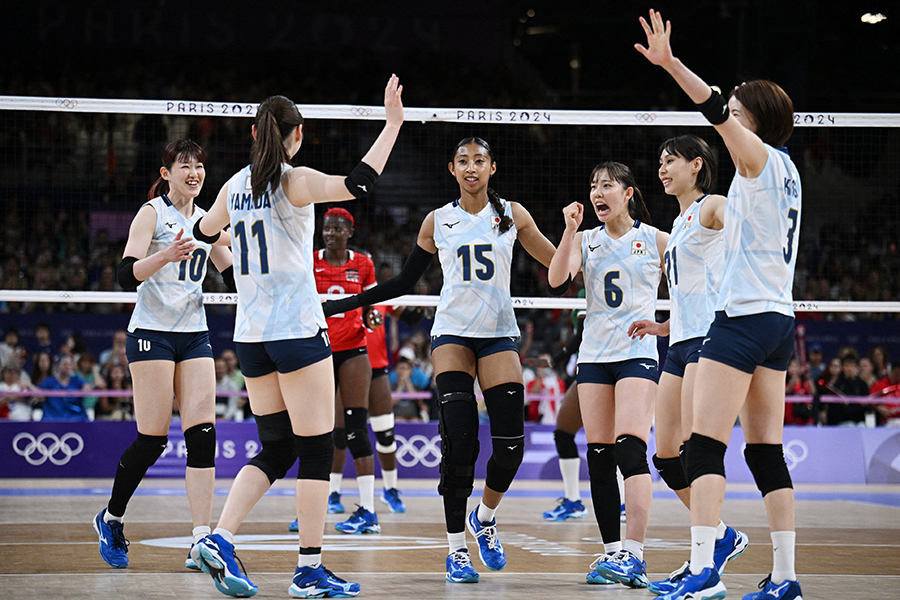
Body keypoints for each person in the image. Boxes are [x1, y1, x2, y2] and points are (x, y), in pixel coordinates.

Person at [191, 76, 404, 598]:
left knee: (278, 446)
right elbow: (357, 184)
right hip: (296, 330)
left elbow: (202, 232)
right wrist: (393, 123)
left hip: (251, 335)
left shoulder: (232, 186)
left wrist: (235, 258)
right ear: (297, 135)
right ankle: (309, 569)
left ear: (255, 135)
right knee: (314, 448)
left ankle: (219, 536)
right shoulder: (294, 180)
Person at [322, 136, 556, 583]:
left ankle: (484, 519)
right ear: (451, 168)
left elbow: (557, 268)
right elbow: (406, 280)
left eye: (480, 161)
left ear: (492, 167)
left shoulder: (513, 214)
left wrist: (573, 238)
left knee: (510, 446)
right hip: (451, 333)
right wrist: (344, 303)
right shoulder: (437, 220)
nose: (472, 168)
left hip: (498, 334)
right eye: (464, 161)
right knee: (460, 444)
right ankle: (456, 550)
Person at [637, 9, 803, 599]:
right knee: (765, 452)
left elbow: (709, 106)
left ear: (754, 122)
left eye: (736, 112)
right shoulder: (788, 173)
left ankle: (705, 569)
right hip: (779, 318)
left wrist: (669, 63)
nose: (727, 116)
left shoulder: (756, 163)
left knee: (702, 446)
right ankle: (785, 576)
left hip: (742, 317)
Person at [92, 139, 233, 572]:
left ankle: (201, 540)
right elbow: (122, 274)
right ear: (166, 172)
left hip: (194, 334)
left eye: (199, 166)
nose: (194, 172)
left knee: (202, 435)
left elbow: (232, 271)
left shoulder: (209, 222)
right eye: (184, 165)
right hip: (152, 332)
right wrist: (166, 254)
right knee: (152, 440)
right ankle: (111, 518)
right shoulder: (152, 213)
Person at [627, 134, 748, 594]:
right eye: (659, 161)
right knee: (664, 454)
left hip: (710, 339)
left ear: (697, 165)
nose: (662, 168)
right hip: (678, 340)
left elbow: (733, 215)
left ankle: (705, 568)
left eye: (671, 160)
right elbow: (689, 289)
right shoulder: (676, 225)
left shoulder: (711, 205)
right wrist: (663, 325)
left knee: (699, 449)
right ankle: (720, 536)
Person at [547, 160, 665, 589]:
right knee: (598, 456)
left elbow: (698, 285)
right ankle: (613, 552)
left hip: (637, 354)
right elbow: (557, 278)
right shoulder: (585, 239)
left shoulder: (655, 240)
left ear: (628, 193)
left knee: (630, 450)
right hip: (594, 356)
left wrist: (666, 326)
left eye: (608, 185)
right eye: (594, 185)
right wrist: (567, 231)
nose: (599, 193)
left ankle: (635, 554)